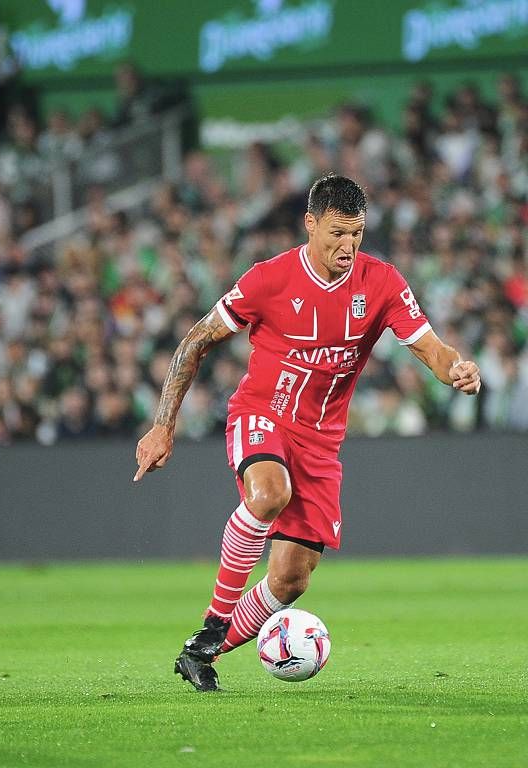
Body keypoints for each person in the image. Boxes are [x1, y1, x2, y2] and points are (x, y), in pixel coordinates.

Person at [133, 174, 481, 692]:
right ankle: (214, 620)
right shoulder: (268, 279)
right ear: (310, 224)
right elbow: (196, 340)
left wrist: (455, 369)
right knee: (269, 493)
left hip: (321, 442)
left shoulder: (381, 283)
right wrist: (163, 423)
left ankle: (201, 652)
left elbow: (431, 347)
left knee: (291, 579)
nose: (348, 246)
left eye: (357, 234)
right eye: (337, 233)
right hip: (262, 414)